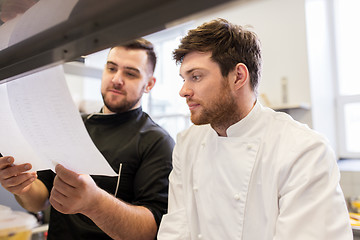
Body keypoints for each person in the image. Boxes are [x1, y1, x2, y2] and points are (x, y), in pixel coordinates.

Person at [157, 18, 352, 240]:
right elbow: (176, 229)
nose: (184, 91)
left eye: (196, 77)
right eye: (184, 79)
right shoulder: (187, 143)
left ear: (238, 76)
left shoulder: (303, 150)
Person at [0, 38, 175, 240]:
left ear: (149, 84)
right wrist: (22, 186)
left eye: (130, 73)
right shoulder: (72, 126)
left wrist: (95, 203)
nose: (117, 79)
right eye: (111, 68)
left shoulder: (157, 142)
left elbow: (150, 230)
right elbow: (38, 201)